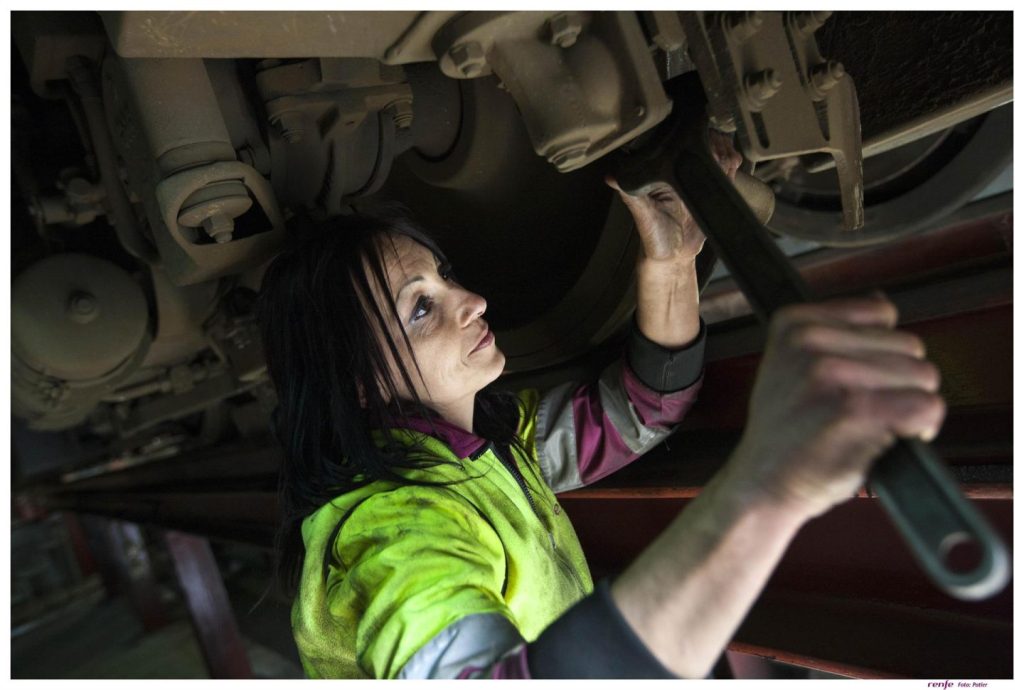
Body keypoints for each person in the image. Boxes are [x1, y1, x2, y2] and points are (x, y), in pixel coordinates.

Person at [256, 133, 945, 679]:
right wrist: (770, 483)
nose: (473, 302)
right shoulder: (386, 534)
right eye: (421, 309)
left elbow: (642, 412)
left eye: (446, 280)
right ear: (357, 384)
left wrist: (671, 267)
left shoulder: (488, 450)